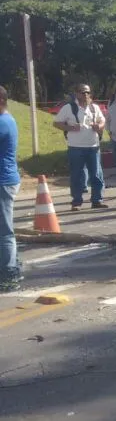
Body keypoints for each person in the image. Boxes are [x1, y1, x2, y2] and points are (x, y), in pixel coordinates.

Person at [54, 83, 108, 211]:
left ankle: (97, 200)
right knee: (77, 175)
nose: (86, 95)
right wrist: (70, 128)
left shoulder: (94, 107)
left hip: (93, 145)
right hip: (75, 146)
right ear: (76, 94)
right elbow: (56, 123)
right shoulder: (69, 107)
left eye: (88, 92)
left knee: (96, 174)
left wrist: (99, 126)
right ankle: (77, 201)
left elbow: (102, 121)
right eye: (83, 92)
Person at [0, 86, 21, 292]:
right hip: (6, 179)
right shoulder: (8, 119)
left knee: (4, 231)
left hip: (3, 182)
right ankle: (11, 266)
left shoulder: (3, 122)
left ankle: (9, 273)